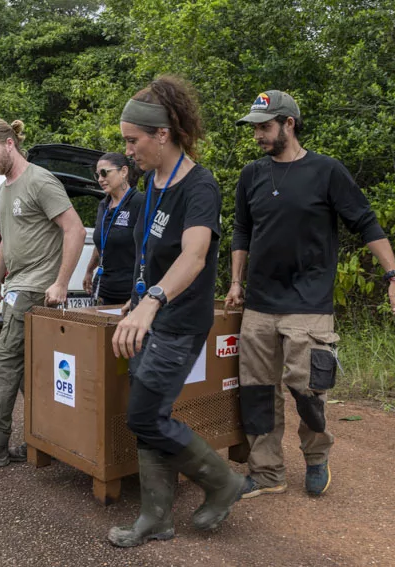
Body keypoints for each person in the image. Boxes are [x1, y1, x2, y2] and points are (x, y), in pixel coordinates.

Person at [226, 90, 395, 499]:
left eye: (264, 126)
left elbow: (365, 222)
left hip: (308, 303)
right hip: (259, 302)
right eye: (255, 127)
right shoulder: (251, 175)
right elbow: (242, 231)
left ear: (288, 124)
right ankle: (267, 473)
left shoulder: (326, 171)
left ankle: (315, 457)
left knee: (307, 389)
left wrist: (394, 276)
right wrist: (236, 283)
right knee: (257, 391)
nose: (257, 134)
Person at [107, 76, 244, 548]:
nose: (127, 152)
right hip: (150, 314)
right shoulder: (151, 181)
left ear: (162, 135)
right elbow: (152, 252)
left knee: (145, 416)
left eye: (132, 141)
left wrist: (152, 302)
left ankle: (223, 482)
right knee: (150, 411)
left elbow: (194, 256)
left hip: (178, 320)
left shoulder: (200, 187)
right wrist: (135, 295)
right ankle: (156, 519)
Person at [0, 118, 86, 466]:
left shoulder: (40, 181)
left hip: (36, 289)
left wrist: (61, 281)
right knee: (29, 371)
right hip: (15, 287)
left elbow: (75, 230)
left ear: (10, 144)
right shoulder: (5, 189)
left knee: (2, 361)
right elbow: (8, 242)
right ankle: (51, 438)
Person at [82, 153, 144, 305]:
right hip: (104, 290)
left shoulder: (139, 202)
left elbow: (152, 250)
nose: (100, 179)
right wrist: (89, 270)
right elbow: (102, 241)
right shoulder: (104, 204)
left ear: (123, 171)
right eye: (97, 175)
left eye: (104, 173)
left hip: (131, 292)